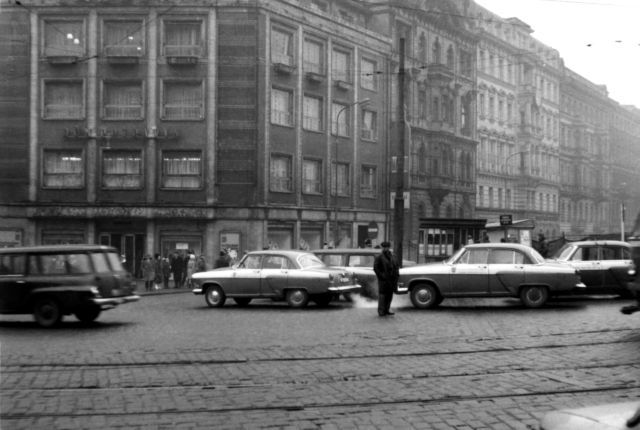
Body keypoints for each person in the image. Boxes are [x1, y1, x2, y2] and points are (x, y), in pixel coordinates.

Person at [373, 241, 399, 317]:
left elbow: (396, 266)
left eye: (387, 247)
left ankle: (387, 310)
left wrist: (396, 275)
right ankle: (381, 311)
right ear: (382, 248)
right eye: (384, 247)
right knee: (382, 296)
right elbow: (376, 268)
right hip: (383, 280)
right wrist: (382, 276)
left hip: (392, 279)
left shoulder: (392, 256)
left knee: (389, 295)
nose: (386, 249)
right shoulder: (379, 257)